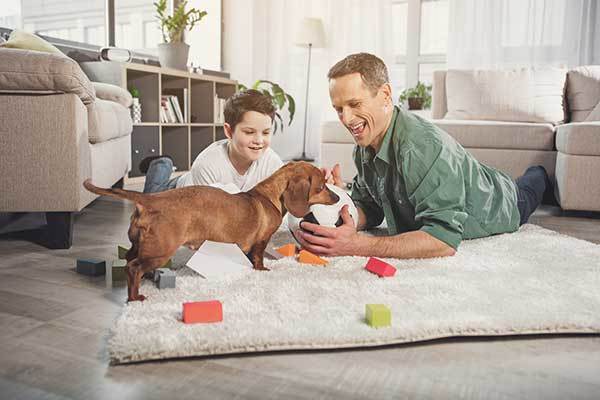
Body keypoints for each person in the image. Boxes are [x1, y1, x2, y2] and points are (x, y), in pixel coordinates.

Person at [296, 52, 549, 259]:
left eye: (355, 104)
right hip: (461, 177)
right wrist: (339, 204)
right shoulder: (364, 146)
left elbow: (443, 239)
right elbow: (371, 209)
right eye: (339, 109)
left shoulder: (421, 148)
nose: (346, 119)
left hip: (503, 201)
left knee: (532, 184)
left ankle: (541, 174)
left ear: (385, 95)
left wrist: (357, 245)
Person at [140, 89, 283, 193]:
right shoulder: (207, 164)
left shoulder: (272, 163)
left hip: (199, 184)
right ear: (228, 131)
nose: (259, 141)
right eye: (249, 132)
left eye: (266, 132)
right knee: (151, 200)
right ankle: (161, 164)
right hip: (180, 193)